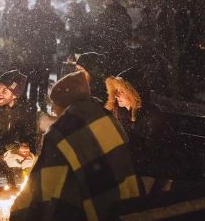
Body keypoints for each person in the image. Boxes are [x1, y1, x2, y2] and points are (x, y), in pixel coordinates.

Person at [10, 71, 139, 221]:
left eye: (54, 104)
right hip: (123, 206)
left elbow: (45, 184)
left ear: (65, 103)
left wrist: (18, 212)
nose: (52, 110)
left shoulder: (61, 131)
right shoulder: (107, 116)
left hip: (92, 211)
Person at [105, 67, 189, 194]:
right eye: (116, 91)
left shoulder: (152, 115)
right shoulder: (120, 112)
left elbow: (154, 154)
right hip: (136, 167)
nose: (116, 95)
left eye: (122, 91)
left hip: (158, 170)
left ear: (134, 93)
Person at [29, 0, 64, 112]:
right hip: (36, 50)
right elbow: (30, 30)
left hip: (48, 50)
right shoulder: (33, 13)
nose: (46, 3)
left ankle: (42, 103)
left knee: (44, 78)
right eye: (45, 1)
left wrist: (52, 13)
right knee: (35, 78)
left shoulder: (49, 14)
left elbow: (61, 27)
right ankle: (32, 104)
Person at [96, 0, 132, 71]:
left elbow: (125, 30)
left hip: (115, 48)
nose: (104, 1)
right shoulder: (114, 13)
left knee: (114, 72)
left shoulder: (117, 13)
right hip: (111, 47)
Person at [7, 0, 31, 72]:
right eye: (25, 1)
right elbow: (16, 31)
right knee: (18, 68)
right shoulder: (16, 13)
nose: (27, 3)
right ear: (19, 2)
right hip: (18, 45)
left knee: (22, 69)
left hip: (22, 44)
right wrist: (22, 49)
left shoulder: (24, 12)